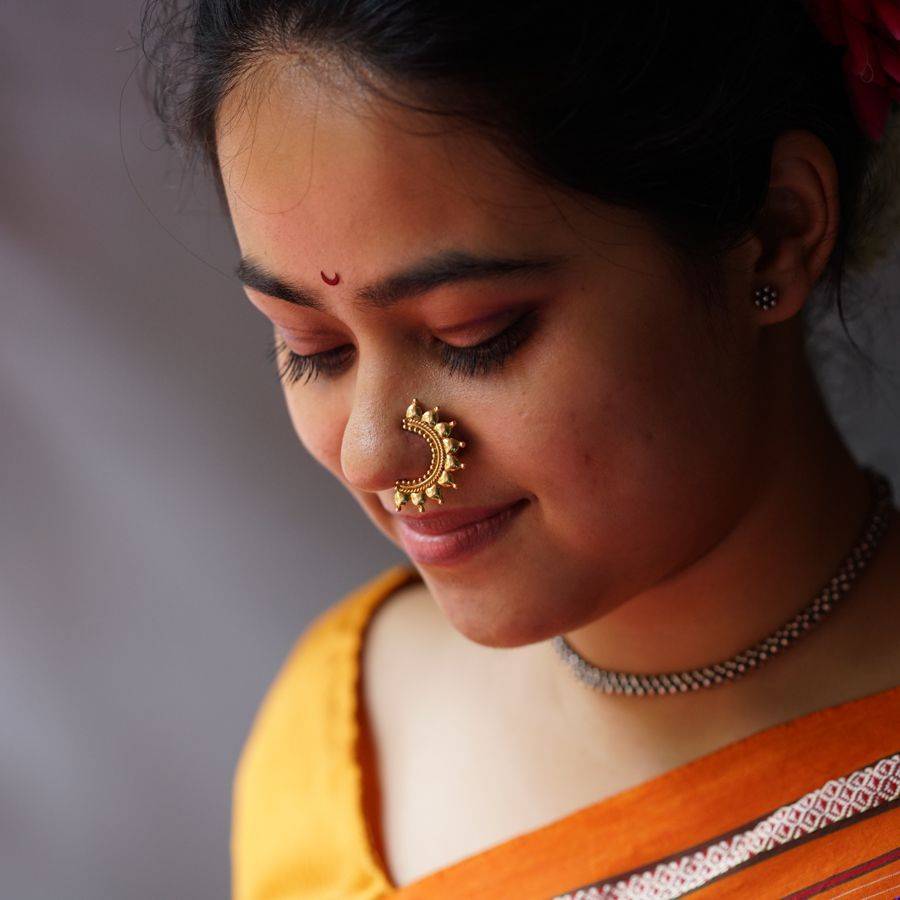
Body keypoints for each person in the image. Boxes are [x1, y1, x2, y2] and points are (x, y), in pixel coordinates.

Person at [138, 1, 900, 896]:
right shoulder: (342, 729)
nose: (375, 456)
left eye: (475, 335)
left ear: (775, 235)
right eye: (312, 346)